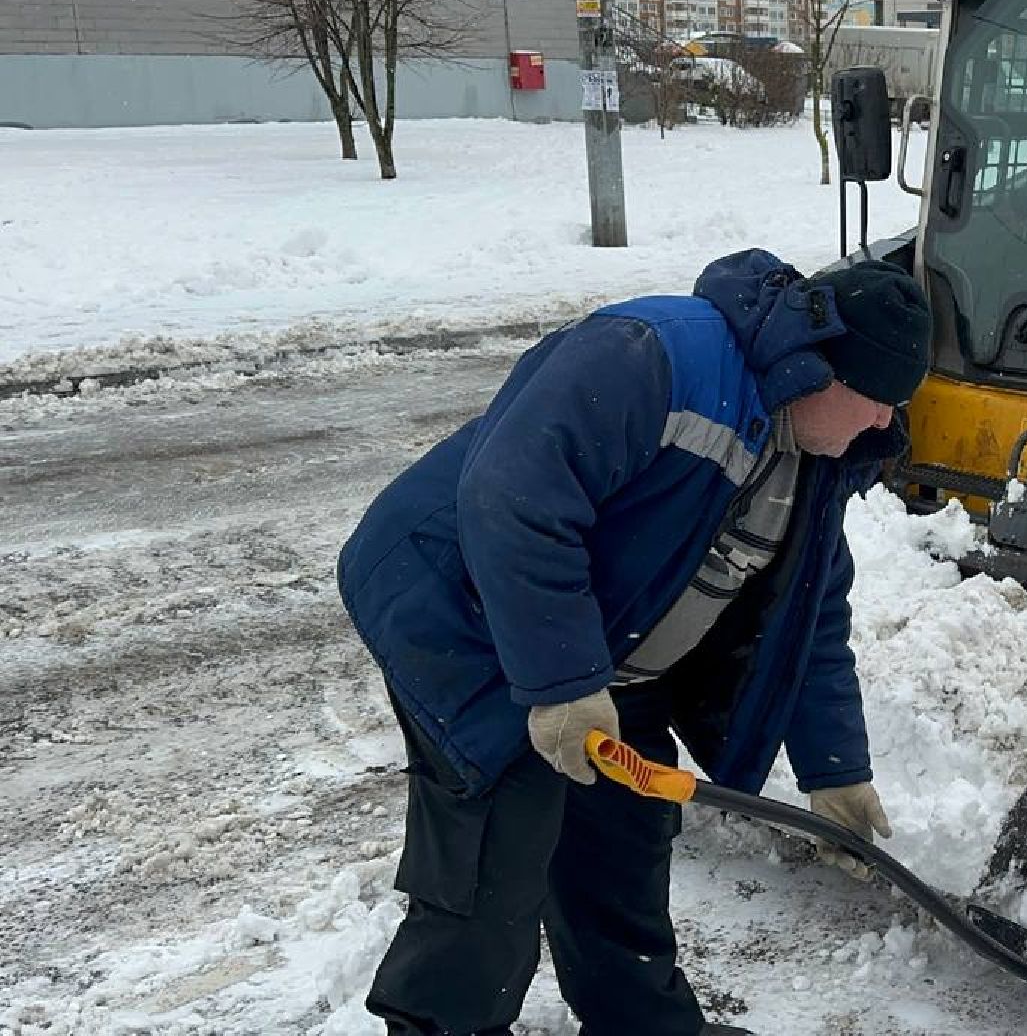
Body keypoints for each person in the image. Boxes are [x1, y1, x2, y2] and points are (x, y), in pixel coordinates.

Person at [334, 248, 934, 1036]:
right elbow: (513, 495)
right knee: (496, 854)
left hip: (603, 643)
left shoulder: (813, 463)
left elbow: (811, 621)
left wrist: (837, 772)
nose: (885, 424)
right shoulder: (657, 354)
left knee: (622, 837)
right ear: (824, 373)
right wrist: (560, 685)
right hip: (463, 606)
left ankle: (641, 1025)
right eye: (879, 401)